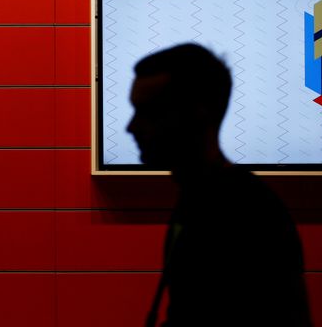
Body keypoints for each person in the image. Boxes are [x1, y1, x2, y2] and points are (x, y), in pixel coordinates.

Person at [127, 44, 311, 326]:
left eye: (149, 112)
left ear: (198, 113)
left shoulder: (246, 213)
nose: (132, 127)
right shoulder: (200, 198)